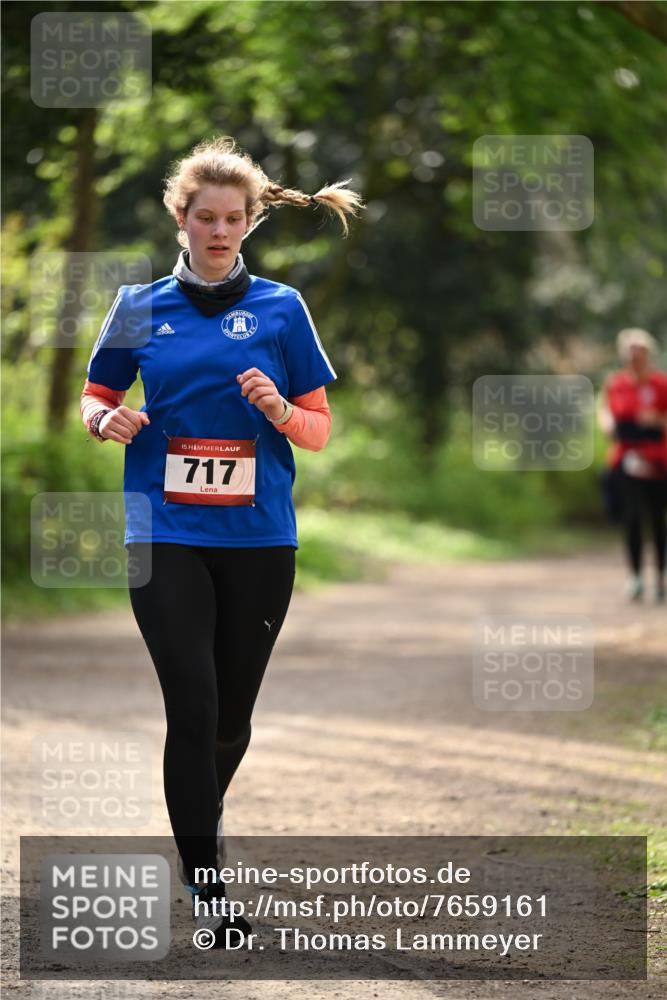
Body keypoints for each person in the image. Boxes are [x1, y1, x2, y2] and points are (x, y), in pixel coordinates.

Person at [80, 135, 364, 944]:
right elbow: (94, 395)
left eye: (232, 218)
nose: (218, 230)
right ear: (180, 217)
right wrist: (106, 418)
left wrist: (278, 410)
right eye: (204, 216)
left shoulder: (282, 308)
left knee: (229, 722)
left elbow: (316, 431)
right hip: (162, 526)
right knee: (191, 705)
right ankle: (209, 888)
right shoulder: (138, 306)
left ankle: (195, 814)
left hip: (259, 537)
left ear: (249, 223)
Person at [598, 327, 667, 603]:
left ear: (648, 353)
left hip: (658, 460)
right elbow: (605, 411)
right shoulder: (615, 384)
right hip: (625, 458)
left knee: (657, 519)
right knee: (631, 518)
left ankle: (660, 577)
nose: (634, 357)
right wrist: (607, 423)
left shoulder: (661, 385)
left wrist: (656, 421)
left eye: (639, 352)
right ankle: (635, 576)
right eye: (630, 352)